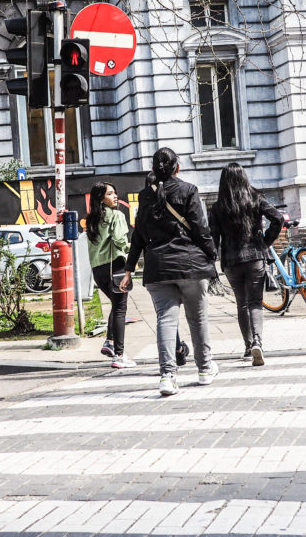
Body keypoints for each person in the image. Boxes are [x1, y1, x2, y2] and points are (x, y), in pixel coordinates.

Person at [121, 147, 219, 396]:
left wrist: (129, 269)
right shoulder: (188, 190)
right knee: (197, 318)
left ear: (154, 169)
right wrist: (212, 254)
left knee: (165, 319)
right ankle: (205, 369)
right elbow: (200, 229)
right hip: (191, 265)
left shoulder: (144, 196)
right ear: (178, 167)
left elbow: (138, 235)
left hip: (158, 268)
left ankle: (167, 376)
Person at [209, 163, 283, 366]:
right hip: (255, 258)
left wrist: (212, 263)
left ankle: (248, 346)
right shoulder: (255, 199)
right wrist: (265, 241)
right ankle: (258, 341)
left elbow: (213, 239)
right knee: (255, 303)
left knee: (241, 304)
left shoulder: (217, 207)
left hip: (231, 262)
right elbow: (277, 218)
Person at [86, 182, 135, 369]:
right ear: (101, 198)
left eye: (115, 193)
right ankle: (120, 355)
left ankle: (109, 342)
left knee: (116, 305)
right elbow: (120, 240)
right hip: (116, 266)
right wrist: (131, 248)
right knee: (121, 308)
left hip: (98, 269)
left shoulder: (91, 220)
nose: (115, 196)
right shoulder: (116, 216)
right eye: (110, 193)